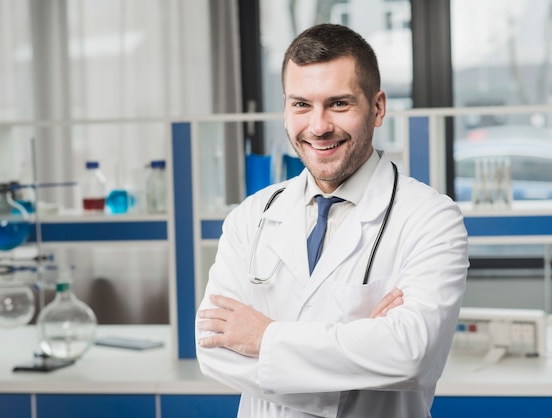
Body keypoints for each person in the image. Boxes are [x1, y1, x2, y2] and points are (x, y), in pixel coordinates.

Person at [195, 23, 468, 418]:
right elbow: (213, 348)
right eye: (301, 104)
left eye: (338, 104)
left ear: (377, 108)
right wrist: (358, 356)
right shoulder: (252, 215)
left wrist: (263, 337)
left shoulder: (430, 219)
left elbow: (410, 356)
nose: (319, 126)